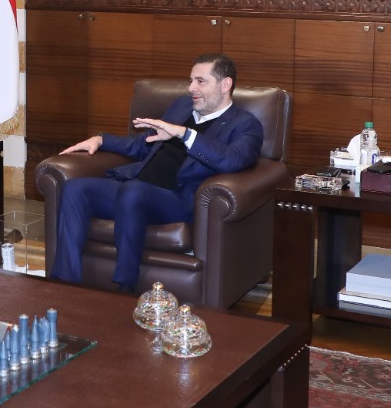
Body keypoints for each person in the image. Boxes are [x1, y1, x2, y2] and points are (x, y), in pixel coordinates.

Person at [49, 53, 264, 294]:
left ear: (225, 85)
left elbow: (232, 160)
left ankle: (124, 286)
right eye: (191, 80)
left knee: (133, 191)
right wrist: (101, 140)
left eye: (200, 81)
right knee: (75, 188)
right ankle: (64, 284)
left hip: (176, 199)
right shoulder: (182, 106)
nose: (191, 88)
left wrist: (184, 134)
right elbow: (143, 145)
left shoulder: (245, 124)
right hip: (136, 187)